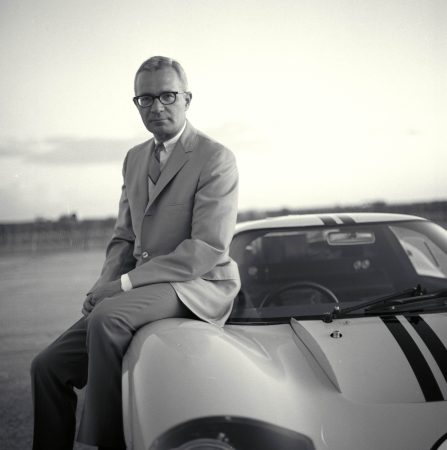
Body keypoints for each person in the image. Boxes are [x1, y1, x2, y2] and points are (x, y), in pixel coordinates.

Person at [30, 56, 240, 450]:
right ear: (137, 103)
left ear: (187, 99)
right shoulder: (133, 158)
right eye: (146, 99)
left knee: (107, 318)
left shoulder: (216, 158)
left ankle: (106, 442)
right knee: (46, 367)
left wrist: (124, 285)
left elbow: (208, 248)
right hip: (142, 285)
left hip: (195, 285)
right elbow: (124, 238)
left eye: (167, 96)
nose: (156, 106)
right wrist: (103, 284)